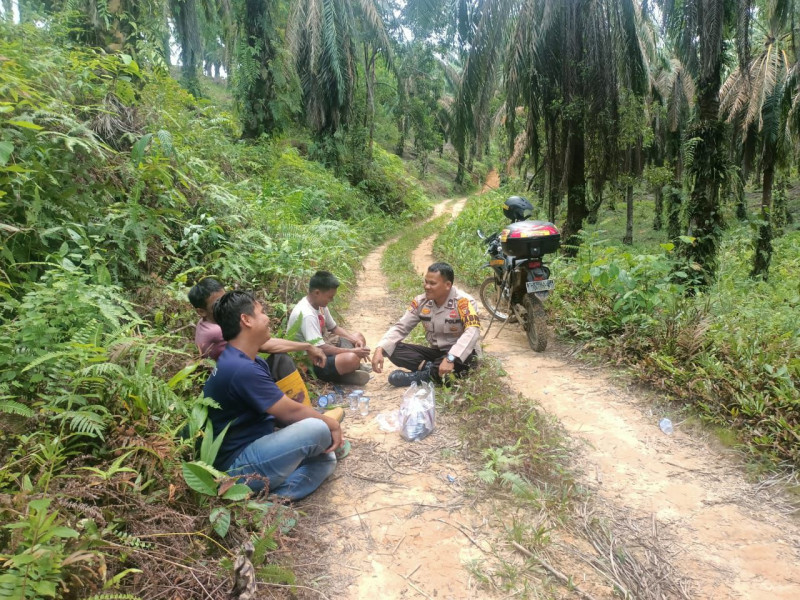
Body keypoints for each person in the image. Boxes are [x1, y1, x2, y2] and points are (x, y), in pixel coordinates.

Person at [203, 290, 343, 501]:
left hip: (257, 444)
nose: (268, 318)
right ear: (246, 320)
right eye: (261, 312)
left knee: (326, 458)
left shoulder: (248, 360)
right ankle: (272, 501)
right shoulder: (241, 368)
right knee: (318, 428)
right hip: (236, 469)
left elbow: (279, 409)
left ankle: (277, 489)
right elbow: (289, 412)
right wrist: (332, 425)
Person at [189, 278, 326, 406]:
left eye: (224, 300)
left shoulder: (206, 324)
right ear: (201, 311)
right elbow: (266, 345)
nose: (223, 306)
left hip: (234, 377)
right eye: (216, 304)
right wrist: (307, 346)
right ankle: (301, 411)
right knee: (281, 361)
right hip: (238, 383)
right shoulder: (215, 331)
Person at [372, 262, 480, 387]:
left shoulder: (464, 302)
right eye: (426, 282)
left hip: (459, 353)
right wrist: (380, 349)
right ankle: (432, 371)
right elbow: (401, 327)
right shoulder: (421, 302)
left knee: (466, 360)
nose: (427, 286)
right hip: (436, 353)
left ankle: (419, 377)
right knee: (392, 348)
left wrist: (451, 358)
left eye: (432, 283)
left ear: (447, 285)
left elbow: (472, 331)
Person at [287, 271, 370, 385]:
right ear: (317, 292)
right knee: (351, 358)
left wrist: (355, 341)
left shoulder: (319, 304)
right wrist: (352, 351)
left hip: (324, 344)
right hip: (312, 359)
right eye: (330, 297)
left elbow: (334, 328)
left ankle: (346, 370)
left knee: (359, 337)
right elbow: (320, 348)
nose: (331, 300)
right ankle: (342, 375)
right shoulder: (307, 315)